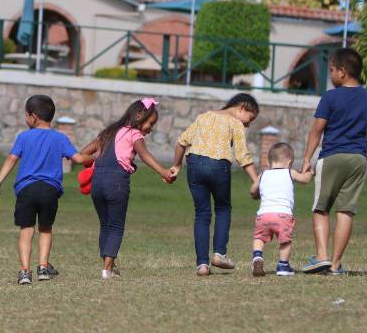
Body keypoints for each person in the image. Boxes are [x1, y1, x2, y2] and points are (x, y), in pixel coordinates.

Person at [301, 48, 367, 275]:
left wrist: (307, 159)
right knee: (346, 211)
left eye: (331, 70)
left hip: (331, 157)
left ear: (342, 71)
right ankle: (336, 265)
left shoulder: (330, 97)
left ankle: (322, 257)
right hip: (358, 159)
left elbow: (317, 130)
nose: (330, 74)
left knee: (321, 208)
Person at [0, 95, 92, 285]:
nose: (25, 118)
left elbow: (11, 159)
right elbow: (79, 159)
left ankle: (25, 271)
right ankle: (43, 267)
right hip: (50, 190)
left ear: (33, 117)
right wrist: (96, 155)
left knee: (26, 229)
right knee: (46, 228)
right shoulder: (60, 138)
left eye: (26, 115)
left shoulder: (24, 137)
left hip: (26, 189)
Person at [84, 98, 176, 280]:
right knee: (116, 226)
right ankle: (107, 270)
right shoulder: (134, 134)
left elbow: (84, 152)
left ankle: (108, 265)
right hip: (117, 182)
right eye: (151, 123)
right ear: (139, 116)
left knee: (105, 225)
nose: (151, 128)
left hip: (97, 182)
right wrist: (164, 172)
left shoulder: (109, 132)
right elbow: (144, 155)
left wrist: (98, 163)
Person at [172, 93, 260, 276]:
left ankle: (202, 265)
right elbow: (242, 155)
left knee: (202, 214)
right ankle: (219, 254)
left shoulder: (203, 116)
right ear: (242, 107)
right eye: (250, 119)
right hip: (218, 166)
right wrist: (256, 180)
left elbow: (181, 142)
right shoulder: (235, 123)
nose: (248, 124)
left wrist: (177, 165)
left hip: (194, 165)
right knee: (223, 208)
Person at [249, 142, 313, 277]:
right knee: (285, 241)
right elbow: (305, 180)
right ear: (289, 162)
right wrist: (310, 173)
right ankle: (283, 265)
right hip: (283, 215)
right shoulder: (290, 172)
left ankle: (257, 256)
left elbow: (253, 190)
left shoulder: (263, 174)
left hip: (264, 215)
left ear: (268, 162)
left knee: (259, 237)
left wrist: (256, 193)